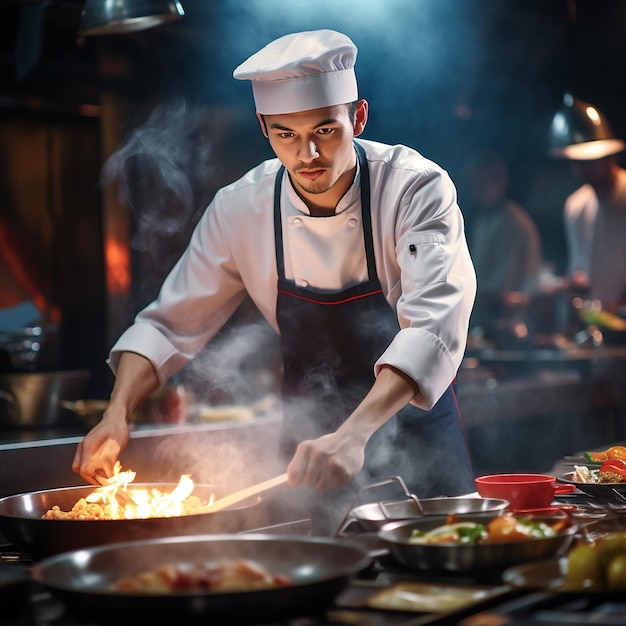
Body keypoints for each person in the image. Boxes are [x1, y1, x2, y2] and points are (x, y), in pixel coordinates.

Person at [72, 29, 476, 533]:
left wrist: (354, 435)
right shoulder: (242, 206)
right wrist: (117, 412)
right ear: (265, 128)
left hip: (412, 428)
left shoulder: (415, 187)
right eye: (286, 134)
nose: (307, 154)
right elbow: (168, 324)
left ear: (358, 116)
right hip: (308, 441)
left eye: (325, 131)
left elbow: (433, 326)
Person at [462, 149, 542, 335]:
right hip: (485, 321)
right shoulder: (482, 220)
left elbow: (503, 288)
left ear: (502, 181)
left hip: (511, 325)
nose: (478, 190)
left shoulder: (513, 222)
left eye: (483, 182)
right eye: (474, 183)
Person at [563, 152, 626, 313]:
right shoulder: (575, 205)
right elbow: (578, 269)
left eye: (592, 161)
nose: (585, 168)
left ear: (611, 157)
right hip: (596, 319)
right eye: (579, 161)